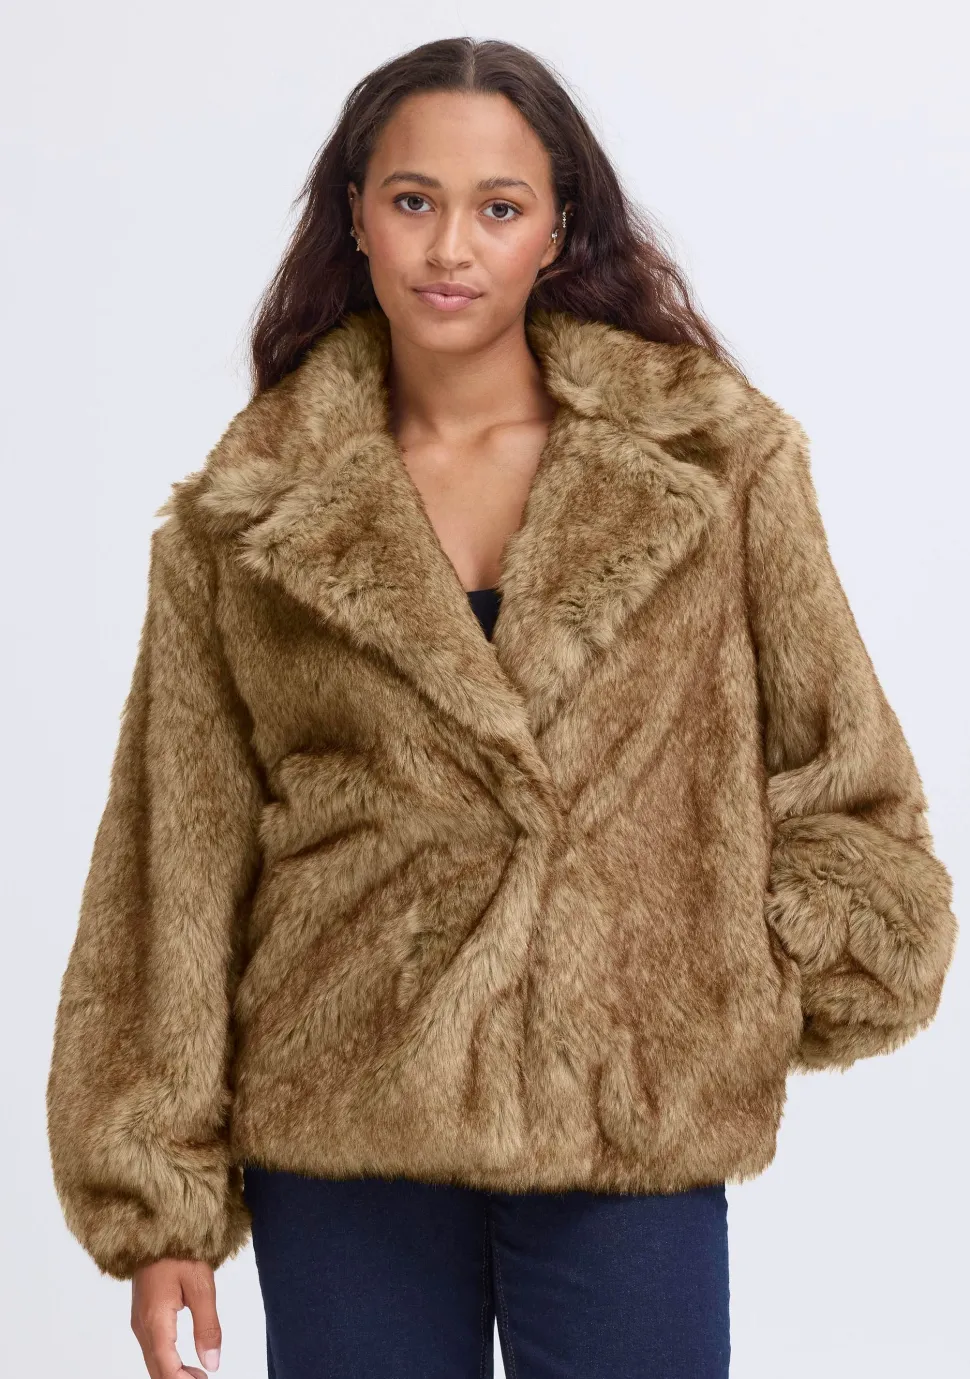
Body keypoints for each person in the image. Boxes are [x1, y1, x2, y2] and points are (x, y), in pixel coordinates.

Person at [45, 35, 958, 1379]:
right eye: (413, 199)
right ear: (356, 217)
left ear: (558, 228)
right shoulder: (243, 518)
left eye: (498, 205)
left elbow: (847, 772)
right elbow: (169, 867)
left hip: (625, 1108)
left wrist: (723, 972)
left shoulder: (714, 462)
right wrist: (156, 1199)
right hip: (344, 1111)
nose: (449, 247)